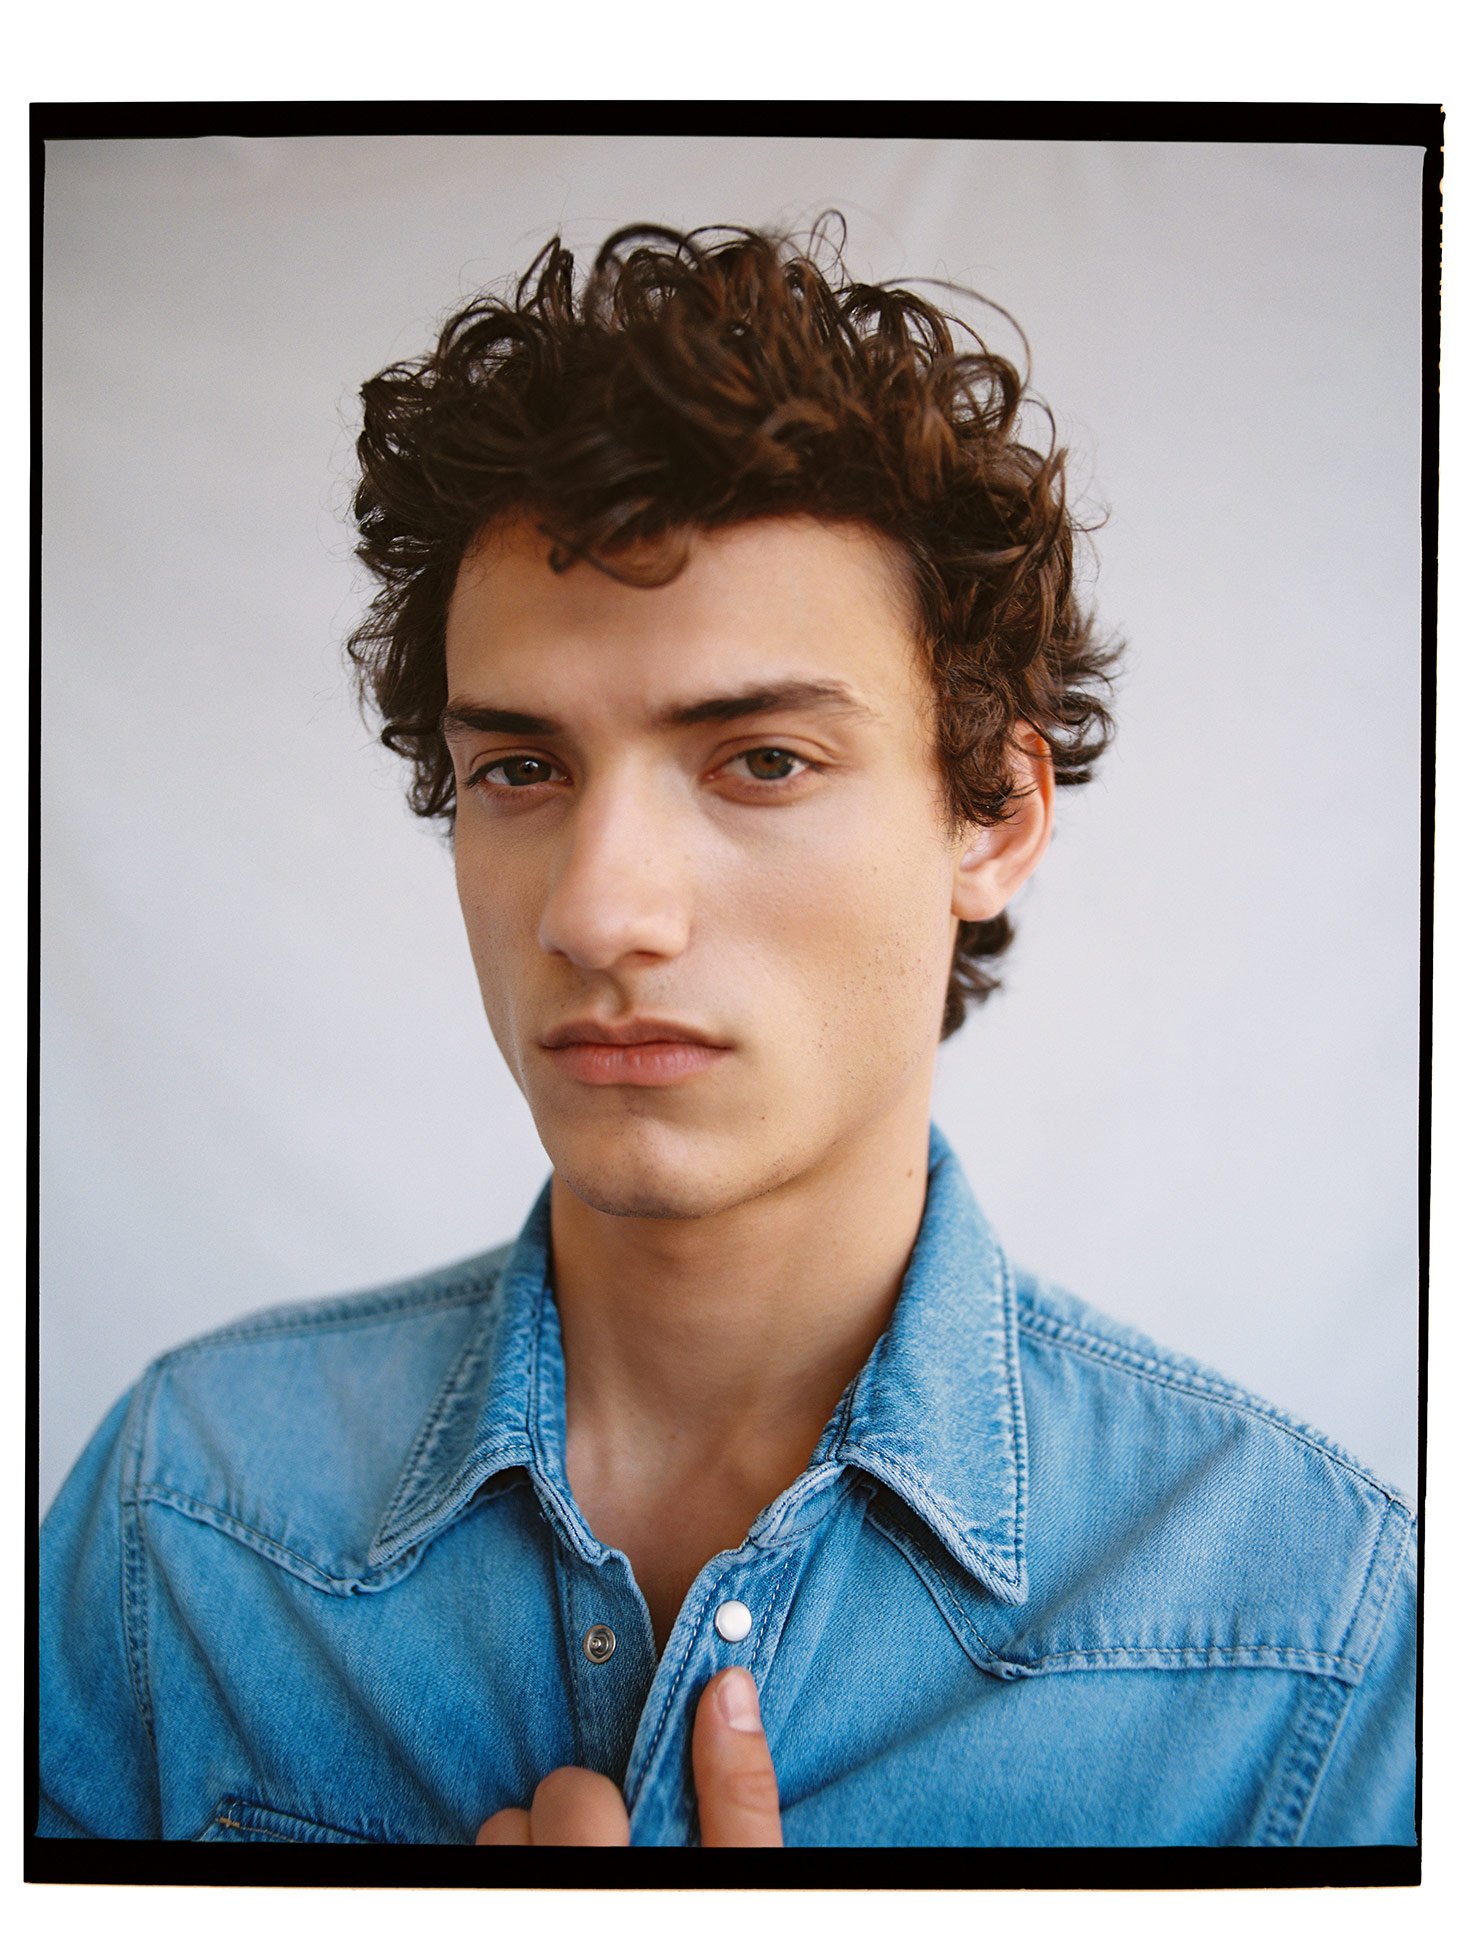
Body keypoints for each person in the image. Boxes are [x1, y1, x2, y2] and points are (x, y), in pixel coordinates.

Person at [38, 220, 1416, 1849]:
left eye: (761, 761)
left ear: (993, 815)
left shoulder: (1307, 1633)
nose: (598, 913)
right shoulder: (186, 1519)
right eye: (519, 770)